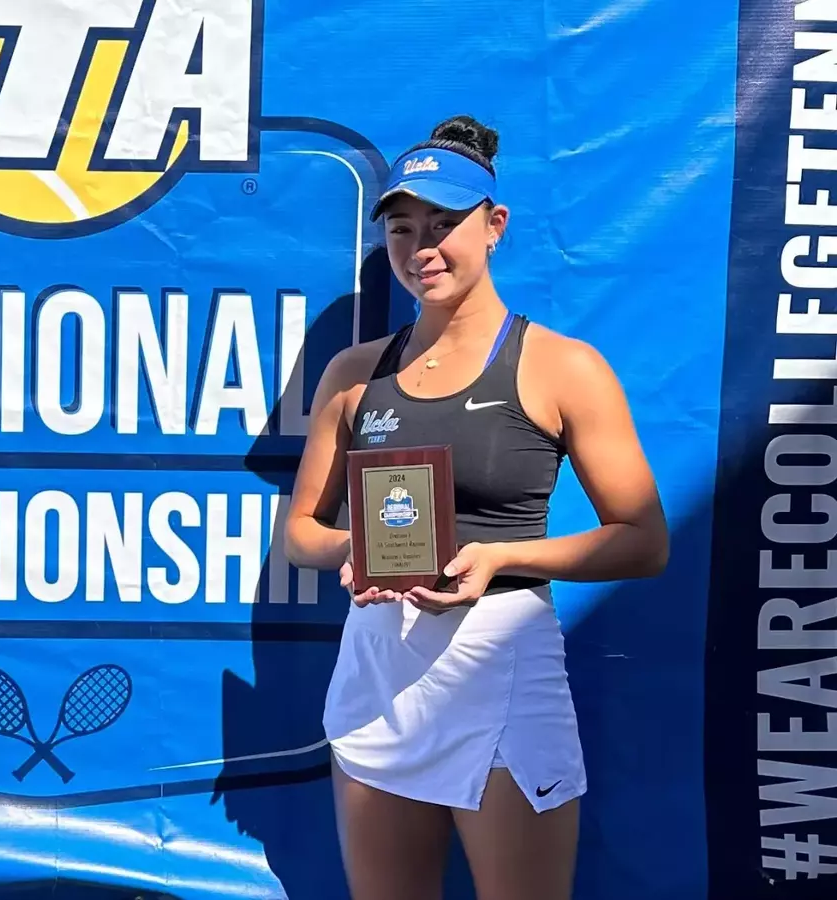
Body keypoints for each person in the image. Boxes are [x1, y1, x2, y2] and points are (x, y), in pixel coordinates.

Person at [284, 116, 669, 900]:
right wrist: (348, 551)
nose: (421, 246)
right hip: (378, 670)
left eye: (443, 223)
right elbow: (299, 531)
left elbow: (644, 540)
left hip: (502, 665)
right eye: (402, 228)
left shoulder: (564, 367)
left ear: (494, 226)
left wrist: (501, 557)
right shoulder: (354, 375)